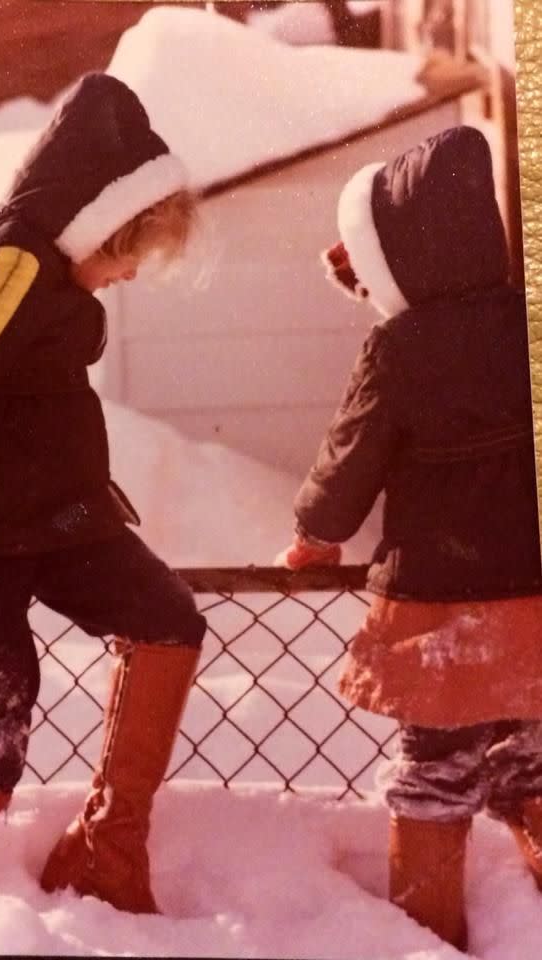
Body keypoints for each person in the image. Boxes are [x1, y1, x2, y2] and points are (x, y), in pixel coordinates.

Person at [0, 72, 206, 918]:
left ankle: (107, 850)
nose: (133, 270)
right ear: (98, 220)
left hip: (65, 523)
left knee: (168, 620)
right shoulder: (13, 263)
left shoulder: (60, 280)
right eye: (128, 247)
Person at [276, 125, 542, 952]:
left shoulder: (397, 349)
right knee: (532, 759)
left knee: (434, 774)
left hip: (438, 612)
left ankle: (428, 935)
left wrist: (315, 537)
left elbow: (349, 460)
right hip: (532, 602)